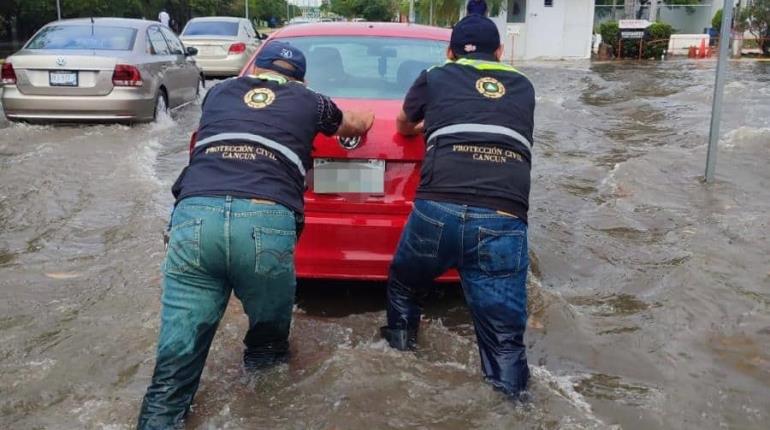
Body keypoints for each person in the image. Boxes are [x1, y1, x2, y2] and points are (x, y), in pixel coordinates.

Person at [137, 41, 374, 429]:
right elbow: (351, 125)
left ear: (254, 70)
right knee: (267, 349)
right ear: (300, 79)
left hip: (195, 215)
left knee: (175, 359)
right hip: (266, 220)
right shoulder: (311, 101)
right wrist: (367, 120)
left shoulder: (219, 92)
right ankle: (263, 414)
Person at [380, 14, 535, 400]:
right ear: (500, 53)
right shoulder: (525, 85)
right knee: (504, 340)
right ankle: (513, 408)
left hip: (438, 210)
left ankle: (400, 363)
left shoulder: (435, 74)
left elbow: (402, 124)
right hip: (502, 216)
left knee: (403, 285)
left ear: (449, 53)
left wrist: (426, 127)